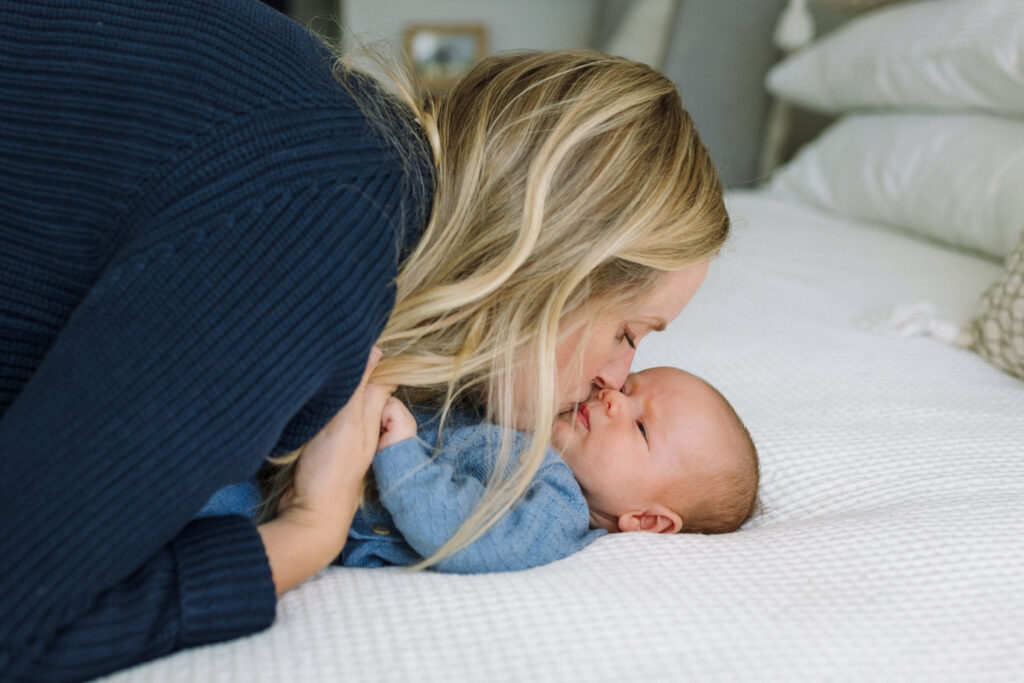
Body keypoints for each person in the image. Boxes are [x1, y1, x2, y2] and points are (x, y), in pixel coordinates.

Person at [1, 1, 729, 679]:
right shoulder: (328, 231)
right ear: (556, 269)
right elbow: (16, 613)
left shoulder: (343, 136)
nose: (615, 376)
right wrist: (305, 536)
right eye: (629, 333)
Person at [201, 366, 759, 573]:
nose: (614, 397)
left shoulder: (558, 512)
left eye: (640, 427)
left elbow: (469, 532)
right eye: (631, 388)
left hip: (283, 497)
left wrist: (403, 454)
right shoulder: (537, 427)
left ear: (648, 521)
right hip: (310, 436)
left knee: (197, 495)